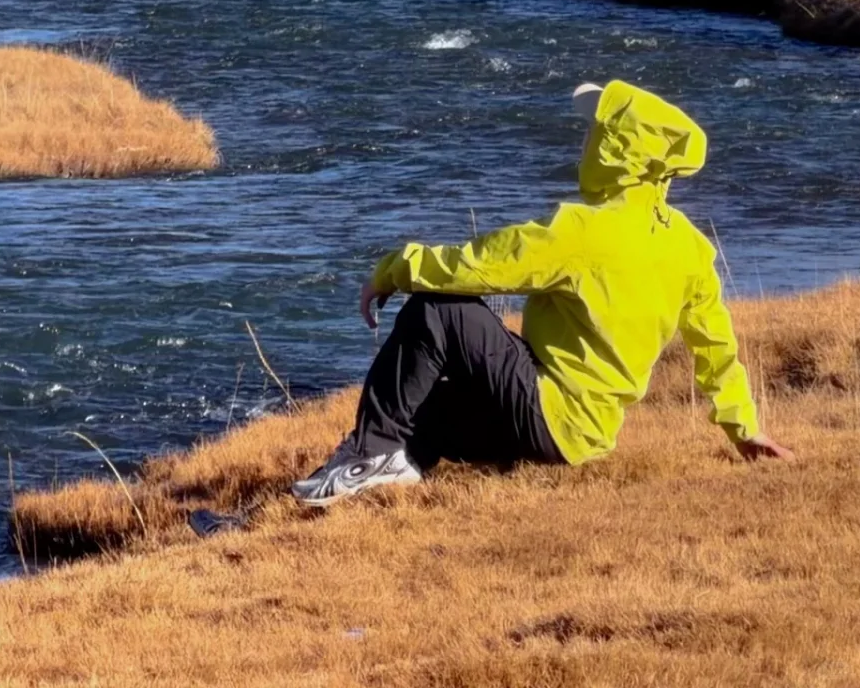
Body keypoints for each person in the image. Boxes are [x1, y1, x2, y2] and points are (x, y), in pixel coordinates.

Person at [292, 78, 793, 504]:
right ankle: (397, 468)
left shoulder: (584, 230)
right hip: (586, 436)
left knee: (439, 308)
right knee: (436, 396)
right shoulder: (691, 248)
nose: (586, 143)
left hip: (543, 415)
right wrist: (743, 428)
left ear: (615, 150)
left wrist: (394, 269)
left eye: (596, 133)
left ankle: (369, 451)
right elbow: (716, 350)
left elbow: (483, 264)